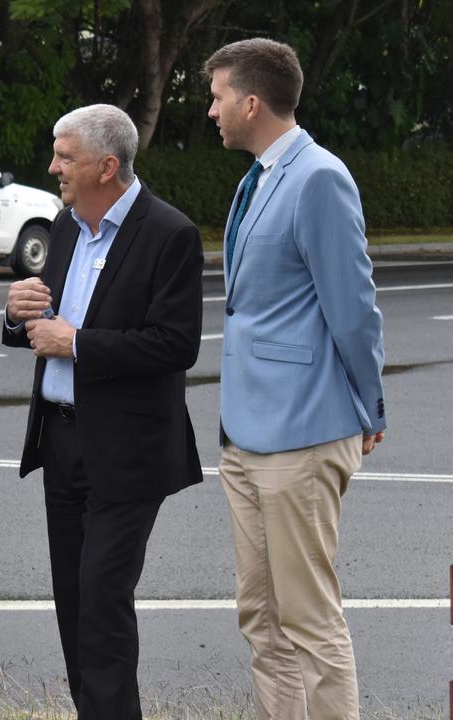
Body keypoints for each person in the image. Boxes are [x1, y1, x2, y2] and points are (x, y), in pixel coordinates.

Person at [204, 38, 386, 720]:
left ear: (251, 102)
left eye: (218, 96)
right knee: (260, 615)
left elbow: (352, 306)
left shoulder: (317, 177)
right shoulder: (257, 177)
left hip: (303, 431)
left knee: (307, 619)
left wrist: (369, 406)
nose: (211, 110)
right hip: (246, 433)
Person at [2, 104, 203, 719]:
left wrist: (79, 343)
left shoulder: (170, 233)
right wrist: (18, 313)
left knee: (102, 600)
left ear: (107, 166)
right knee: (74, 603)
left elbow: (176, 345)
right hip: (62, 443)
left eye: (65, 156)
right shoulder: (65, 225)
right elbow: (44, 327)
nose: (53, 166)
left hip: (127, 451)